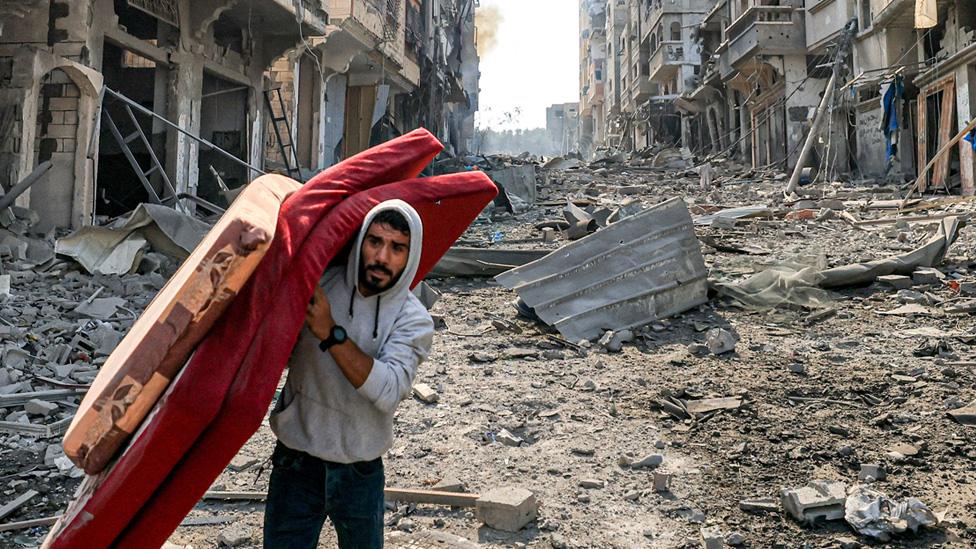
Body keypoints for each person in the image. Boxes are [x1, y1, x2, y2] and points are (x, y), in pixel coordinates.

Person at [264, 200, 435, 549]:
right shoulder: (319, 286)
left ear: (411, 254)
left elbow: (389, 390)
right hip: (296, 463)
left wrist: (330, 331)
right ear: (361, 241)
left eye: (397, 248)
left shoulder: (412, 320)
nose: (382, 257)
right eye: (375, 242)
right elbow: (271, 349)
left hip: (359, 472)